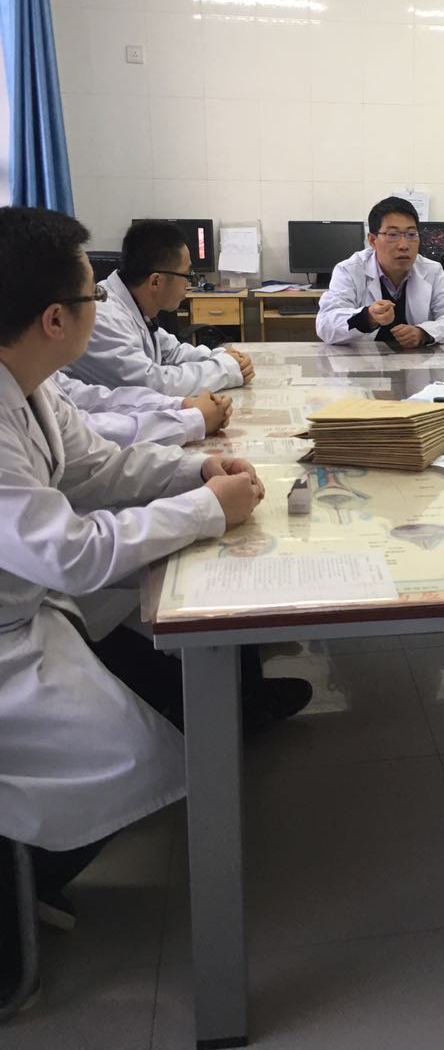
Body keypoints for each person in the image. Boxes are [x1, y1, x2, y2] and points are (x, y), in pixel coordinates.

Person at [0, 207, 267, 1006]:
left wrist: (195, 473)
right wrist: (208, 510)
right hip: (12, 631)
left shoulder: (29, 383)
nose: (101, 305)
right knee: (132, 760)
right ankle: (15, 901)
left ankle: (29, 876)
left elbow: (98, 467)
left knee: (141, 689)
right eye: (91, 296)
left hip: (29, 605)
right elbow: (71, 552)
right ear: (56, 319)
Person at [66, 220, 255, 394]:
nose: (189, 284)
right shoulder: (104, 317)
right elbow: (152, 384)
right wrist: (224, 369)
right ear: (156, 281)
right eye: (188, 275)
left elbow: (173, 352)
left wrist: (221, 357)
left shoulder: (135, 307)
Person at [316, 196, 444, 347]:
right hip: (364, 360)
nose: (404, 245)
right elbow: (325, 325)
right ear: (372, 240)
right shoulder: (350, 270)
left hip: (416, 359)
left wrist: (423, 333)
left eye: (411, 234)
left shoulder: (431, 270)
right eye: (392, 235)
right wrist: (367, 317)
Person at [53, 370, 231, 448]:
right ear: (55, 319)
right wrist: (192, 421)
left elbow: (91, 398)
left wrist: (183, 405)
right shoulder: (107, 317)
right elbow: (89, 435)